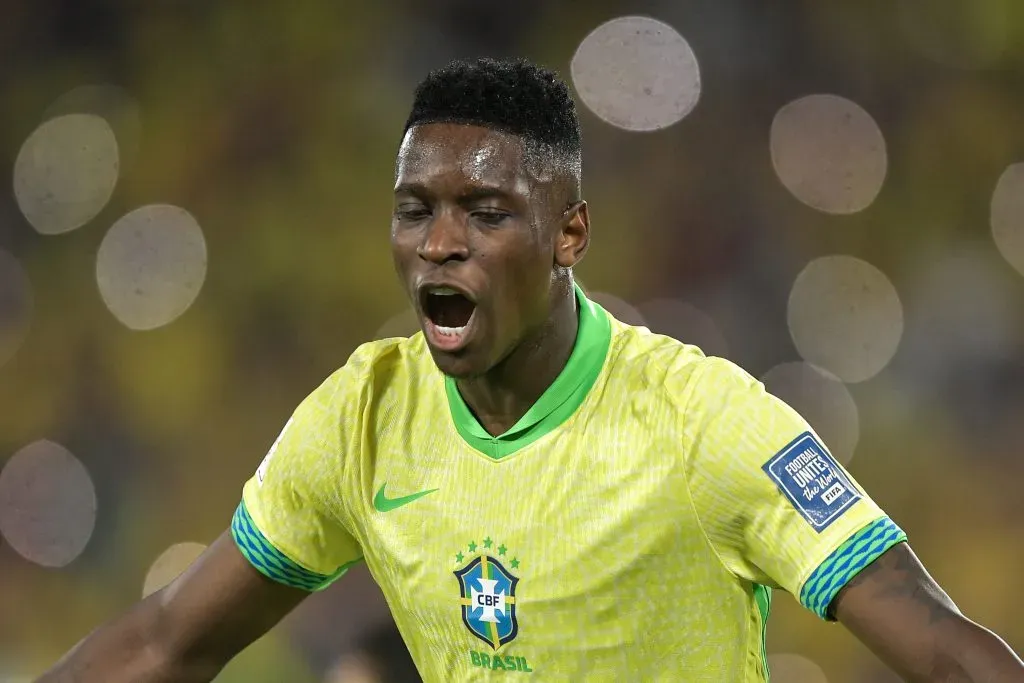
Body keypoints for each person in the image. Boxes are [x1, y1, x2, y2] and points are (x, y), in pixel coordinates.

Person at [38, 57, 1023, 683]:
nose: (440, 243)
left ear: (570, 232)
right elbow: (168, 641)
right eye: (415, 208)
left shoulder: (700, 419)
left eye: (487, 210)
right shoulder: (362, 418)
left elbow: (936, 641)